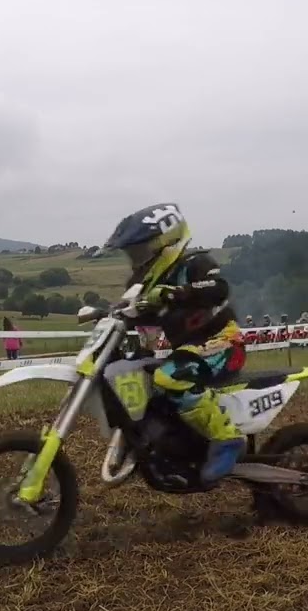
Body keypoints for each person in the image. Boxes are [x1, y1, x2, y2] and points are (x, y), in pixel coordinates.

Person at [103, 202, 246, 485]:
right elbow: (134, 317)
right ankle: (180, 446)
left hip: (223, 344)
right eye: (132, 254)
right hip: (189, 351)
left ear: (166, 244)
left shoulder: (195, 265)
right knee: (147, 382)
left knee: (169, 377)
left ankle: (228, 438)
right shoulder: (144, 285)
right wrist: (107, 316)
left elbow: (219, 288)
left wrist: (177, 293)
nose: (137, 260)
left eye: (141, 252)